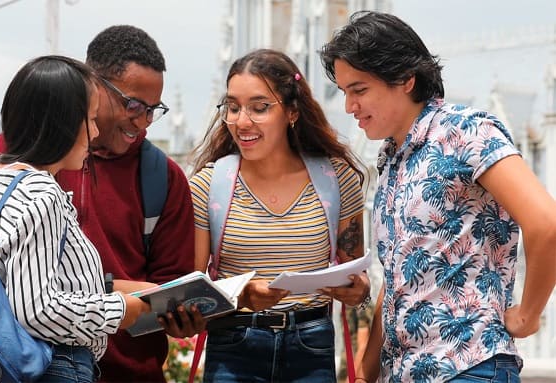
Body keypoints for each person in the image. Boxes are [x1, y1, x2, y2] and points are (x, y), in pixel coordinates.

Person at [320, 10, 556, 383]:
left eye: (359, 90)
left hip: (468, 367)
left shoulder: (466, 130)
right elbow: (403, 276)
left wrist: (527, 316)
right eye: (345, 92)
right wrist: (364, 370)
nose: (350, 107)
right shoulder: (392, 160)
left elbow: (546, 223)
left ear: (405, 80)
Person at [0, 26, 197, 383]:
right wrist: (114, 295)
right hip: (29, 369)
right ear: (92, 85)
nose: (142, 123)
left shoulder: (164, 177)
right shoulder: (14, 157)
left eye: (153, 110)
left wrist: (179, 311)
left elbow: (171, 288)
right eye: (133, 105)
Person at [0, 55, 150, 382]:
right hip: (51, 364)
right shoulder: (41, 193)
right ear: (60, 124)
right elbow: (37, 310)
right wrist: (120, 311)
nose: (95, 130)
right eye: (89, 119)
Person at [189, 48, 371, 383]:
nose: (242, 121)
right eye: (232, 107)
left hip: (311, 345)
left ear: (291, 112)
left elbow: (355, 277)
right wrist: (242, 296)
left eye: (259, 108)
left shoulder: (337, 179)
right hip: (233, 344)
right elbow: (193, 293)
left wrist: (358, 291)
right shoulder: (207, 185)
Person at [338, 303, 375, 383]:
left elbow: (363, 346)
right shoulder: (347, 306)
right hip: (346, 369)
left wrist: (351, 378)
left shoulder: (363, 306)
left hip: (356, 372)